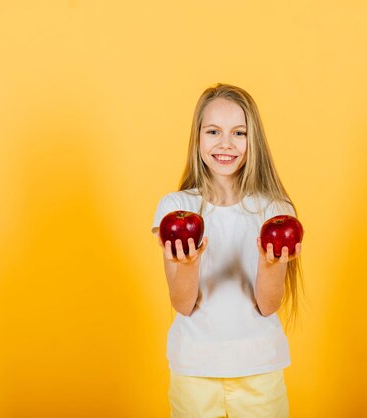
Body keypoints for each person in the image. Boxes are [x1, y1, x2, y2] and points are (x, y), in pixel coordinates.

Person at [151, 83, 305, 418]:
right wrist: (190, 264)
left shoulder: (275, 211)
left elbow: (268, 305)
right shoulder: (176, 206)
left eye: (239, 132)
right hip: (194, 370)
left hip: (259, 370)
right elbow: (181, 303)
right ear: (198, 138)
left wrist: (269, 263)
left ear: (254, 142)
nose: (225, 144)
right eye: (213, 132)